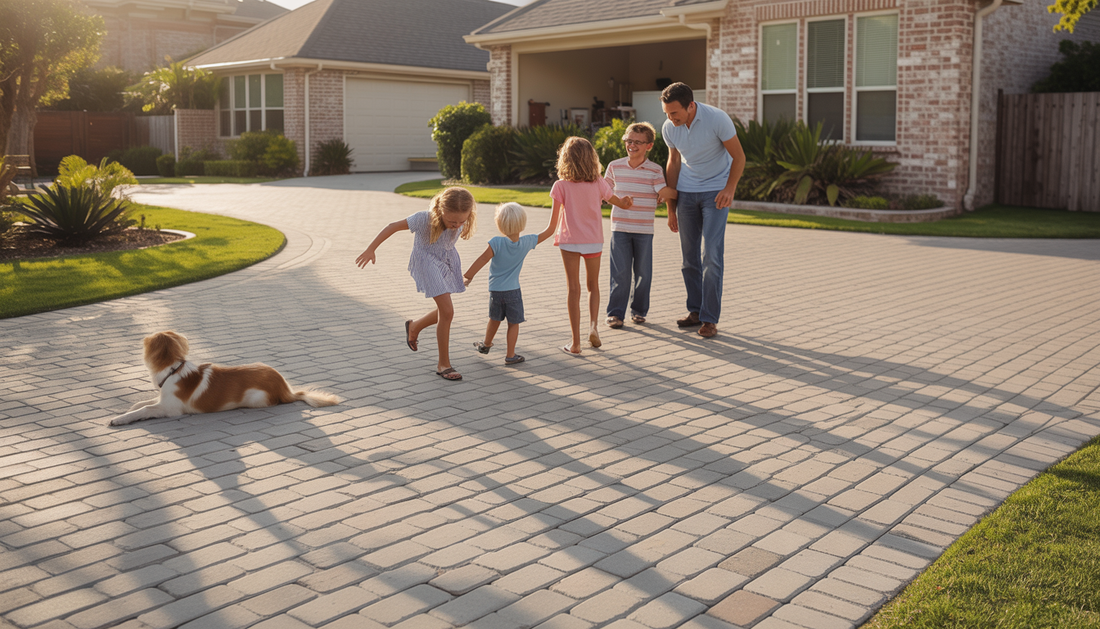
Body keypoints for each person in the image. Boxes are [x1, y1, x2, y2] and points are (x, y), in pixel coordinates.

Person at [354, 186, 476, 381]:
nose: (457, 225)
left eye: (462, 221)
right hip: (426, 261)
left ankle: (415, 326)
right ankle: (443, 364)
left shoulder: (462, 218)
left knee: (445, 310)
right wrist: (371, 249)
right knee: (447, 311)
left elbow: (449, 240)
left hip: (445, 261)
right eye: (452, 221)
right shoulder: (424, 218)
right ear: (440, 211)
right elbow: (392, 226)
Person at [661, 82, 746, 338]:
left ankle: (709, 319)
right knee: (689, 259)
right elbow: (673, 162)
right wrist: (671, 208)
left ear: (690, 106)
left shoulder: (717, 119)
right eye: (666, 113)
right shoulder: (669, 128)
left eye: (674, 113)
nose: (670, 118)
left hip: (716, 193)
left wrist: (729, 188)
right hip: (686, 193)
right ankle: (695, 311)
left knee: (711, 256)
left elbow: (739, 157)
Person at [551, 136, 633, 355]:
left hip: (570, 241)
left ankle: (575, 343)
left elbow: (552, 224)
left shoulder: (560, 186)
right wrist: (626, 202)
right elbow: (618, 202)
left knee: (573, 288)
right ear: (591, 159)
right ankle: (594, 326)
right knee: (592, 285)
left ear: (565, 159)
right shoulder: (599, 182)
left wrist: (534, 239)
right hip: (593, 240)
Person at [463, 201, 561, 365]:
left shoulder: (496, 243)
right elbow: (550, 230)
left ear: (500, 224)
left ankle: (486, 344)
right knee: (513, 323)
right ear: (522, 223)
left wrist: (468, 277)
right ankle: (510, 355)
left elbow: (482, 259)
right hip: (513, 292)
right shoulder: (527, 242)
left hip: (496, 291)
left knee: (494, 319)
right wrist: (558, 207)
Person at [603, 121, 678, 330]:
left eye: (638, 142)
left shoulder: (654, 170)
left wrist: (681, 193)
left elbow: (663, 192)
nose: (632, 145)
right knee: (620, 274)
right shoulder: (614, 166)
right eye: (629, 140)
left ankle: (639, 311)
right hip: (620, 229)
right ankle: (615, 314)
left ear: (649, 146)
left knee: (644, 273)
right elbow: (604, 192)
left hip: (644, 230)